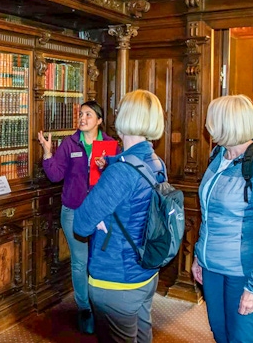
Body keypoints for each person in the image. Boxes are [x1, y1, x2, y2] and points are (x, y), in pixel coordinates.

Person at [192, 94, 253, 343]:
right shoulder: (218, 155)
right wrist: (198, 256)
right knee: (220, 334)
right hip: (211, 267)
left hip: (244, 273)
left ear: (227, 123)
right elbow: (208, 213)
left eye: (211, 119)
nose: (207, 125)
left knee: (241, 339)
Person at [73, 89, 165, 343]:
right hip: (146, 272)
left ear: (125, 117)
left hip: (117, 278)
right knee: (142, 336)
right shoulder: (156, 161)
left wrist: (104, 215)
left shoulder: (121, 172)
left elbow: (81, 224)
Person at [37, 100, 116, 334]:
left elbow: (118, 179)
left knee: (100, 262)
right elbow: (55, 175)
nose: (82, 118)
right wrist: (48, 152)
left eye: (88, 114)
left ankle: (102, 307)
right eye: (80, 114)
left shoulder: (111, 145)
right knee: (80, 263)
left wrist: (108, 165)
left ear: (99, 120)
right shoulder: (70, 143)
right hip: (73, 212)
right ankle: (85, 310)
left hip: (102, 214)